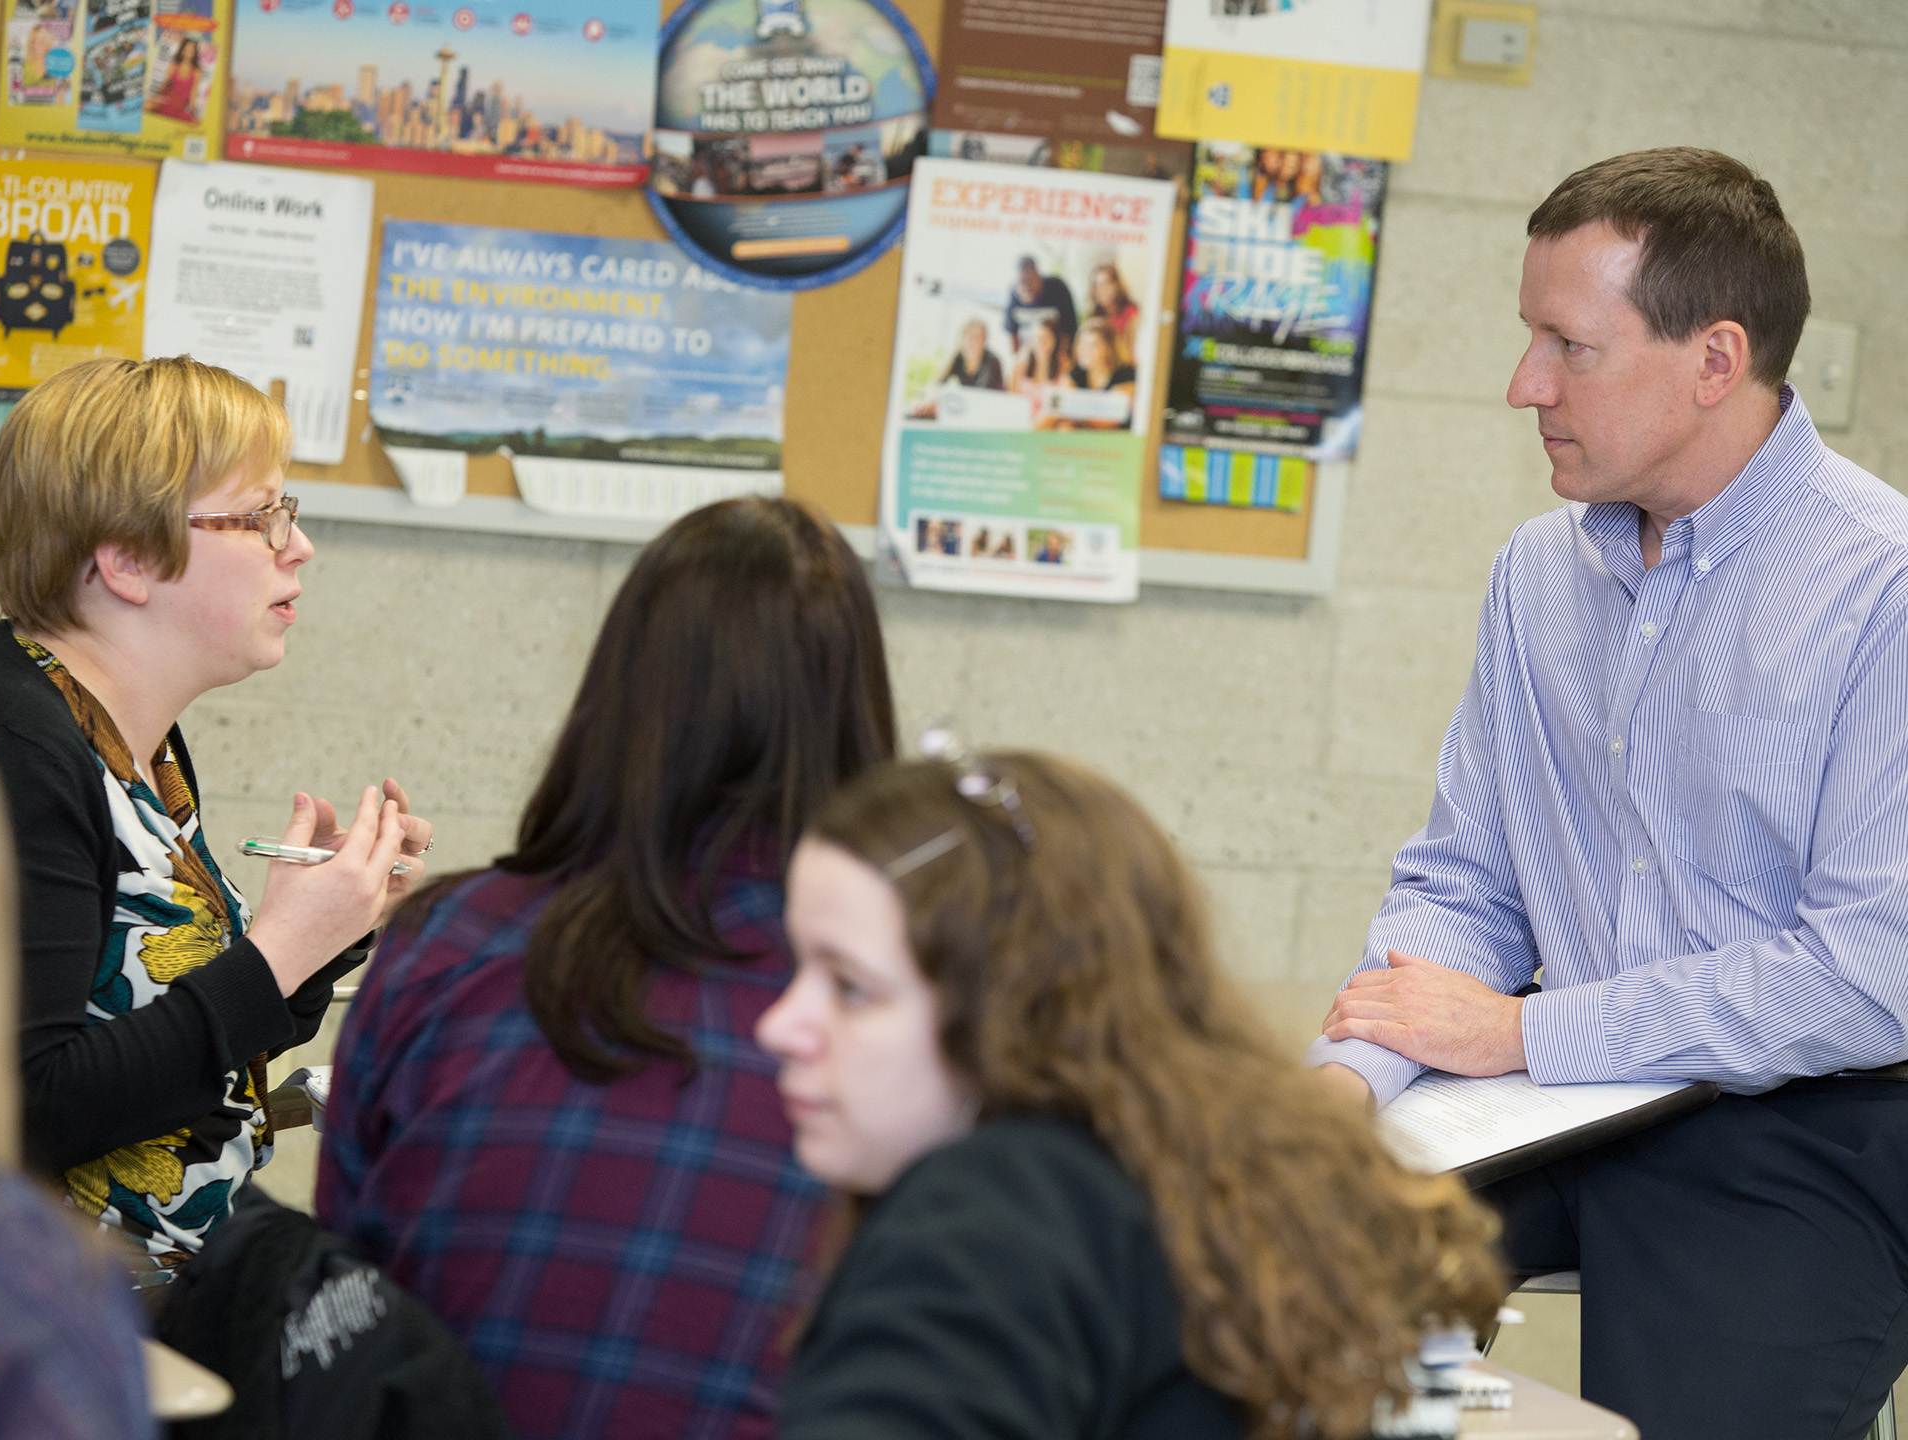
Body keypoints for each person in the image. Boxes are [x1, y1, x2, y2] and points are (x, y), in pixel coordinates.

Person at [1307, 147, 1908, 1440]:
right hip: (1560, 1091)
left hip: (1802, 1120)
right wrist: (1347, 1079)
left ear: (1714, 360)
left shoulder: (1883, 591)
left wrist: (1520, 1035)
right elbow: (1466, 886)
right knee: (1247, 1279)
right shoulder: (1538, 575)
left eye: (1569, 347)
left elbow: (1869, 973)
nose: (1524, 385)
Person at [319, 496, 897, 1440]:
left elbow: (349, 1281)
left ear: (621, 690)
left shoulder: (448, 940)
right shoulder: (898, 1004)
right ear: (856, 708)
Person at [759, 746, 1505, 1440]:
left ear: (1013, 1006)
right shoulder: (1183, 1180)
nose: (779, 1025)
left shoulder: (992, 1216)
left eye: (850, 988)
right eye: (798, 971)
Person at [0, 356, 423, 1280]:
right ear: (129, 559)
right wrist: (274, 956)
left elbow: (185, 1046)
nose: (298, 546)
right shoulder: (16, 748)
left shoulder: (131, 737)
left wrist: (326, 929)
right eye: (263, 517)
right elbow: (29, 1113)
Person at [0, 758, 156, 1440]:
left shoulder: (161, 768)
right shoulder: (36, 1290)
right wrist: (277, 958)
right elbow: (52, 1098)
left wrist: (307, 956)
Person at [1039, 318, 1136, 430]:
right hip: (1085, 432)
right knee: (1065, 426)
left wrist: (1070, 408)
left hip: (1117, 438)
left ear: (1108, 348)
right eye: (1082, 344)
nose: (1084, 350)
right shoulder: (1077, 372)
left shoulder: (1125, 374)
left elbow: (1112, 420)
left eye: (1092, 345)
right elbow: (1057, 404)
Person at [1001, 256, 1076, 354]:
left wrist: (1063, 356)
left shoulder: (1057, 288)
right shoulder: (1013, 293)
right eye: (1022, 282)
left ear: (1038, 276)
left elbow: (1069, 330)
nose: (1026, 287)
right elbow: (1012, 333)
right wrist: (1019, 359)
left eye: (1030, 280)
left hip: (1056, 356)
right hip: (1029, 359)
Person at [1008, 316, 1071, 422]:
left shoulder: (1064, 365)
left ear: (1055, 340)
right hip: (1021, 421)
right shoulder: (1021, 363)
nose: (1041, 343)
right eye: (1037, 338)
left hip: (1049, 424)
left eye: (1046, 338)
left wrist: (1038, 423)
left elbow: (1059, 406)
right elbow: (1011, 399)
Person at [1086, 263, 1140, 365]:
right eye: (1097, 286)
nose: (1102, 290)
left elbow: (1130, 350)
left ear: (1116, 285)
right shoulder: (1095, 315)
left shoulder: (1131, 312)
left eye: (1105, 284)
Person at [934, 318, 1004, 391]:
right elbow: (938, 383)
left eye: (978, 337)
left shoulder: (992, 362)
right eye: (970, 337)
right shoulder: (958, 357)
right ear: (962, 338)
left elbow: (993, 392)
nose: (973, 342)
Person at [147, 35, 202, 121]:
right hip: (168, 98)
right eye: (186, 49)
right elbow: (165, 85)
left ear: (195, 53)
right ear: (182, 50)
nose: (188, 52)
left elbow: (193, 93)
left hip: (180, 105)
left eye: (191, 50)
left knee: (196, 121)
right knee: (146, 104)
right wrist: (155, 97)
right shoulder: (173, 65)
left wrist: (192, 110)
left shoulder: (197, 72)